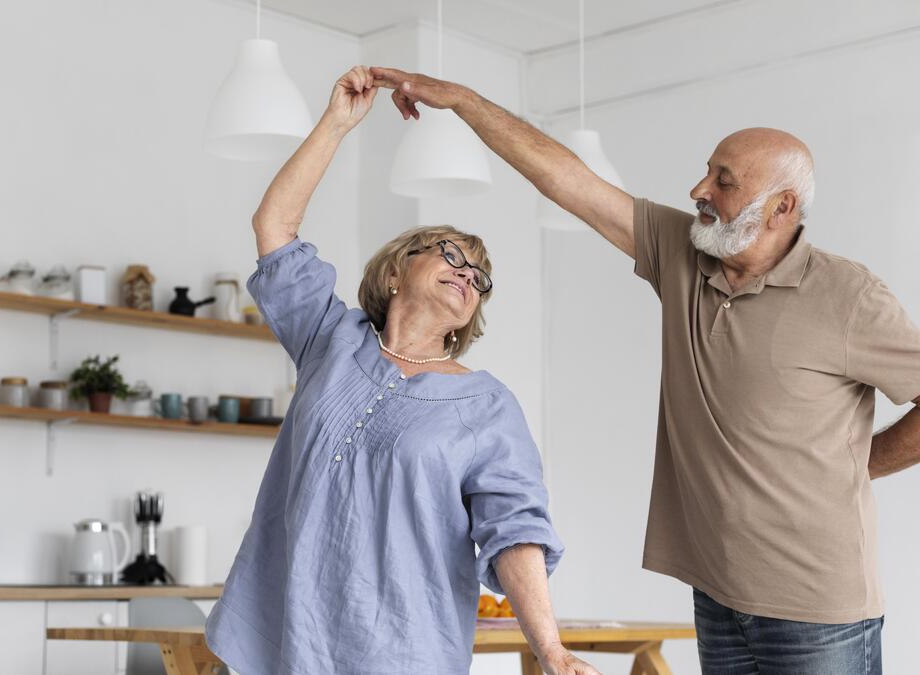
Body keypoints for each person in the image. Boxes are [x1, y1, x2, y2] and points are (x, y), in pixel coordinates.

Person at [367, 67, 920, 674]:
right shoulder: (682, 252)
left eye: (723, 180)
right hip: (716, 593)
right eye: (707, 170)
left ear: (781, 206)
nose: (698, 189)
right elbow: (567, 180)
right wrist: (465, 102)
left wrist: (857, 463)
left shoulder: (849, 297)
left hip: (818, 610)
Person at [204, 66, 599, 675]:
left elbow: (516, 529)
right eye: (450, 256)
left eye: (479, 277)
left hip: (401, 654)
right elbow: (275, 229)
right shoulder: (331, 341)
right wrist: (337, 124)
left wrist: (550, 650)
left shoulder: (488, 407)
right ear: (394, 273)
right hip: (282, 642)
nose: (468, 274)